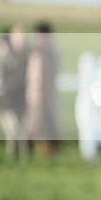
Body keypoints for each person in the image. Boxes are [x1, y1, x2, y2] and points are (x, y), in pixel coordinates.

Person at [24, 21, 60, 157]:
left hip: (44, 97)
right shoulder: (36, 51)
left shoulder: (49, 52)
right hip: (34, 96)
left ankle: (48, 153)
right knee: (34, 126)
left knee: (44, 127)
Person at [0, 28, 29, 161]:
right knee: (13, 131)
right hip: (9, 101)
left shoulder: (14, 60)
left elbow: (15, 80)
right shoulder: (9, 60)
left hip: (12, 101)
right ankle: (16, 157)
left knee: (15, 131)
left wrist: (5, 88)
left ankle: (16, 157)